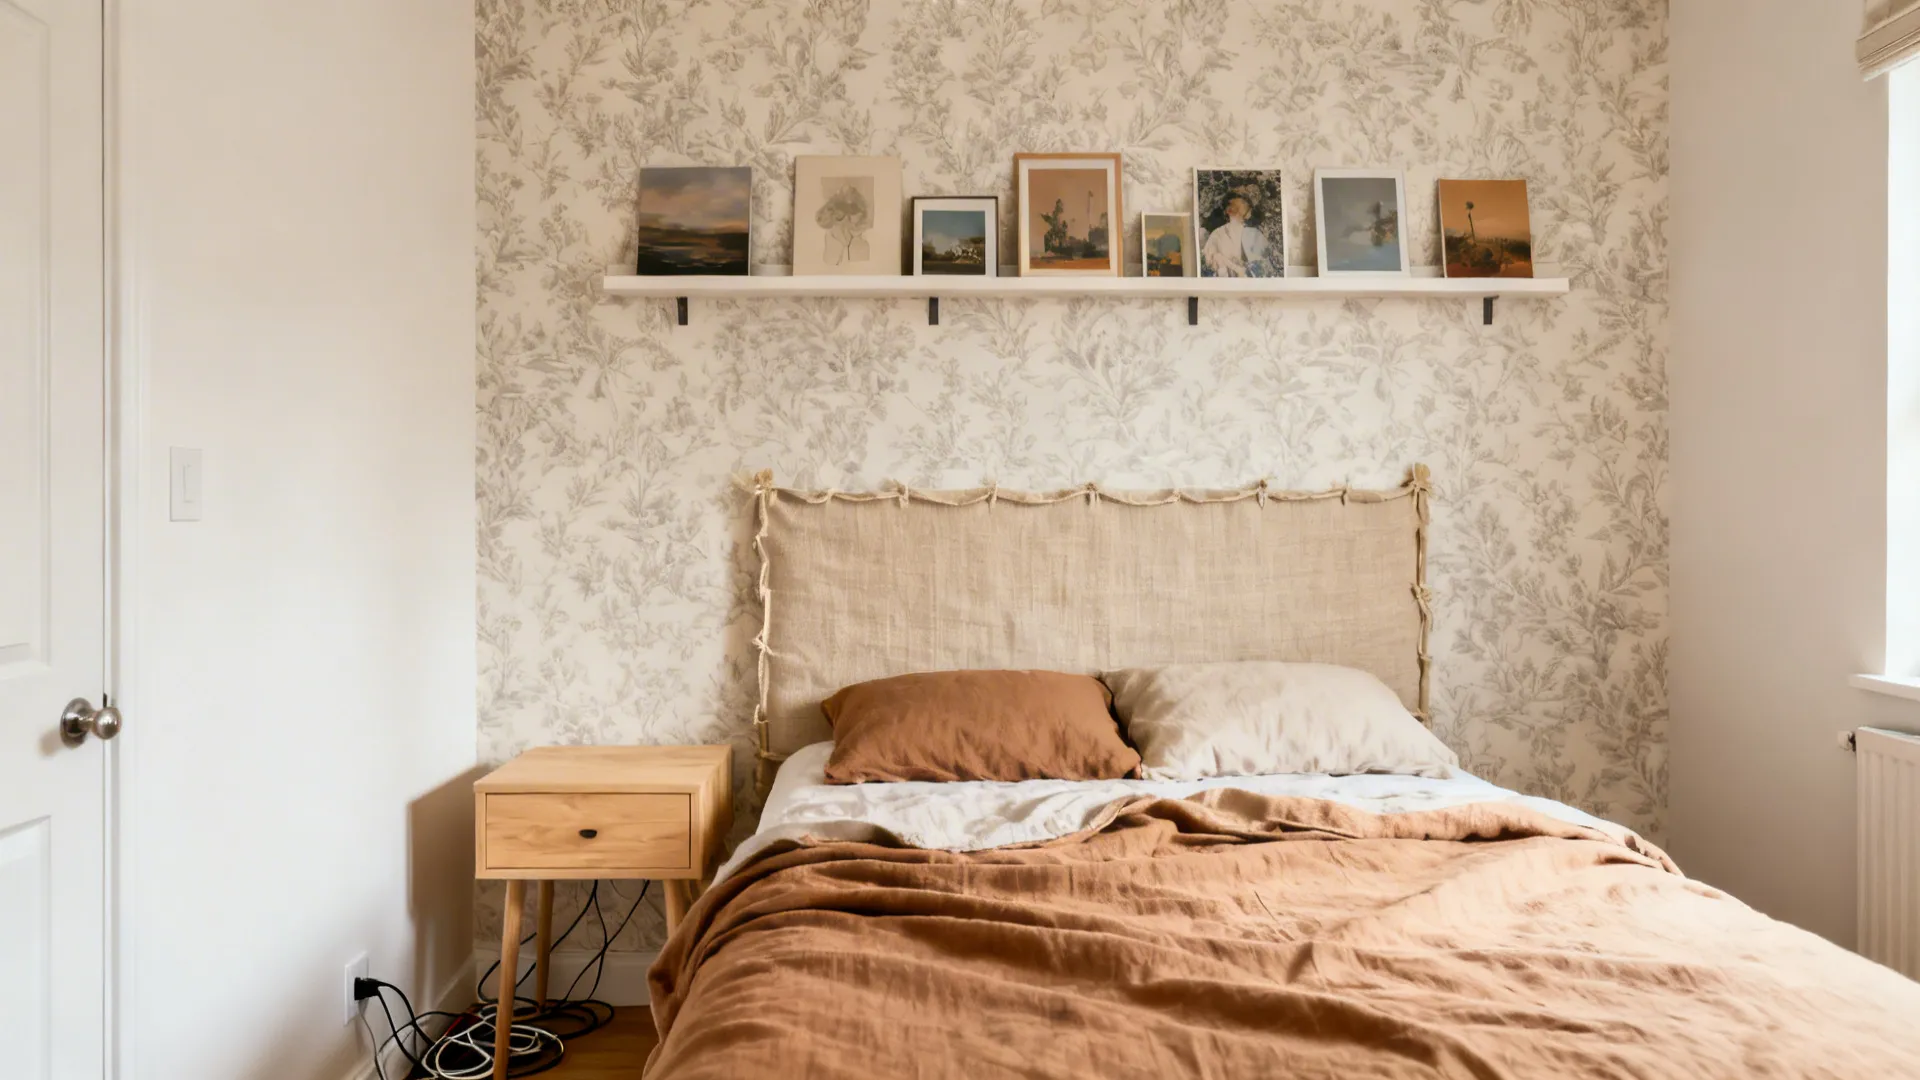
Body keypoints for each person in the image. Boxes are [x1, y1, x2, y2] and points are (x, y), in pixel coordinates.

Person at [1201, 193, 1270, 277]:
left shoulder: (1253, 233)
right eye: (1233, 206)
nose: (1237, 211)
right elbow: (1211, 261)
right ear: (1226, 210)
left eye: (1241, 206)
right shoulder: (1217, 234)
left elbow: (1262, 264)